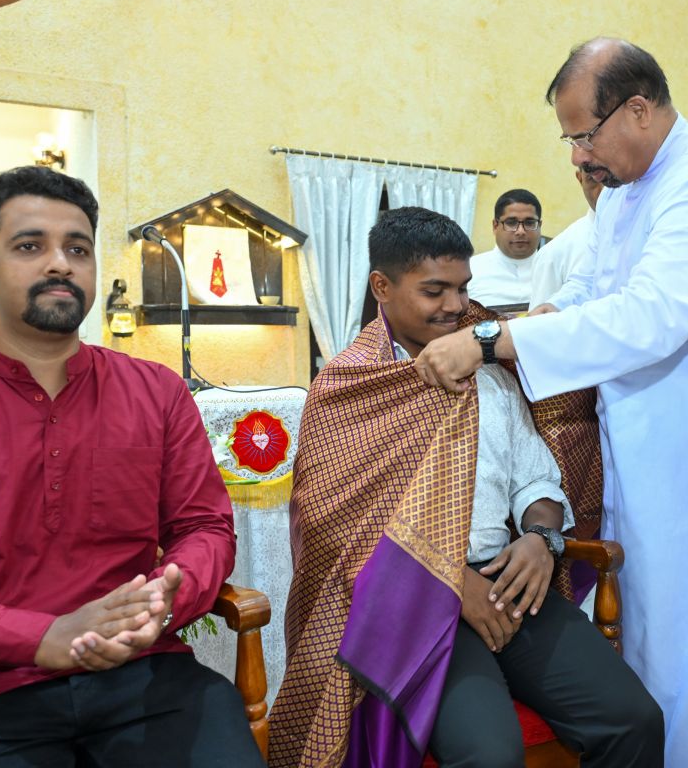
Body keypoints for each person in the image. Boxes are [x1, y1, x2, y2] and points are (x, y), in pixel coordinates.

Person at [413, 37, 688, 767]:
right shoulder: (624, 190)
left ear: (638, 110)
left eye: (585, 134)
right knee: (653, 634)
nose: (581, 156)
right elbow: (593, 288)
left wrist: (492, 342)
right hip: (645, 447)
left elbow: (654, 314)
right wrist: (539, 317)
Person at [0, 166, 263, 766]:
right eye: (30, 246)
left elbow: (204, 528)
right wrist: (37, 637)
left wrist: (160, 604)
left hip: (144, 677)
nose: (60, 264)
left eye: (77, 249)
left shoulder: (156, 392)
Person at [268, 207, 663, 767]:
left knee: (635, 720)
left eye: (463, 287)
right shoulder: (349, 387)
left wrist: (540, 539)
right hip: (413, 602)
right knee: (489, 755)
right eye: (435, 290)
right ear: (382, 287)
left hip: (506, 580)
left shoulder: (489, 372)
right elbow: (334, 535)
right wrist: (452, 584)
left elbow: (536, 478)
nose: (455, 306)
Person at [530, 169, 603, 307]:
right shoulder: (554, 254)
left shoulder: (643, 234)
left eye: (611, 180)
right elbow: (542, 317)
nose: (604, 191)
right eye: (593, 179)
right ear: (580, 178)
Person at [467, 188, 543, 306]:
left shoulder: (557, 270)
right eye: (511, 223)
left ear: (540, 226)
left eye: (529, 223)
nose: (520, 231)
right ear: (495, 226)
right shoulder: (470, 270)